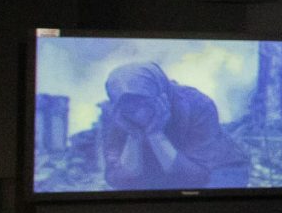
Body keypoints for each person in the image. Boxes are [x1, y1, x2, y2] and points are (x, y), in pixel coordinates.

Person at [98, 61, 251, 191]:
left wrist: (156, 135)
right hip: (158, 170)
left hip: (215, 168)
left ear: (161, 94)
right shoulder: (115, 115)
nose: (139, 115)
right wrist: (134, 135)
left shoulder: (197, 104)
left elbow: (198, 176)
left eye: (144, 103)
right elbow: (118, 179)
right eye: (130, 108)